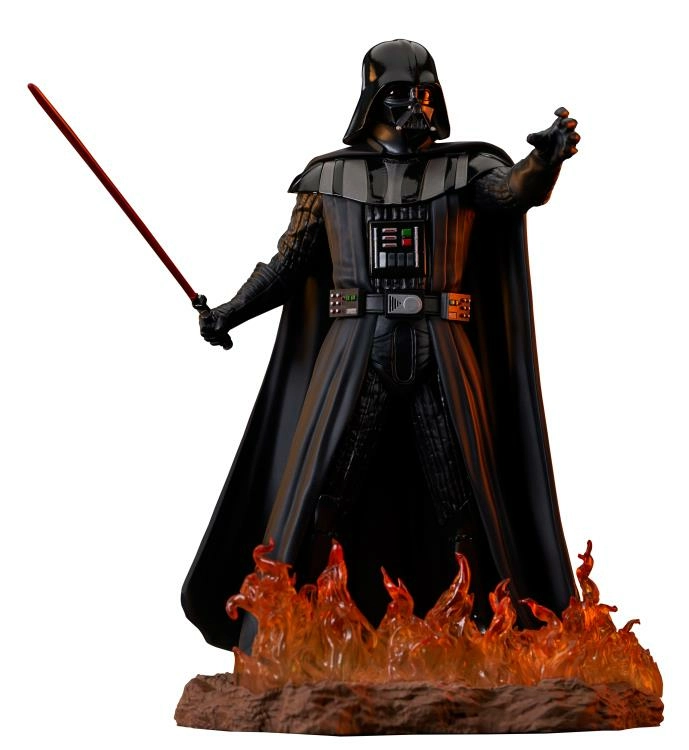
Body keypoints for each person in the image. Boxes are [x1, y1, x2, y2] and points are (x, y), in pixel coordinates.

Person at [182, 39, 581, 652]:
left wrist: (544, 162)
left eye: (424, 93)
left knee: (462, 494)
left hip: (441, 350)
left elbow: (512, 192)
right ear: (372, 99)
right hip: (353, 351)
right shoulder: (330, 178)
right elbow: (290, 265)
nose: (416, 105)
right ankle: (305, 627)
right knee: (327, 492)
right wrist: (233, 311)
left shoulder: (468, 169)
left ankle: (484, 631)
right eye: (400, 93)